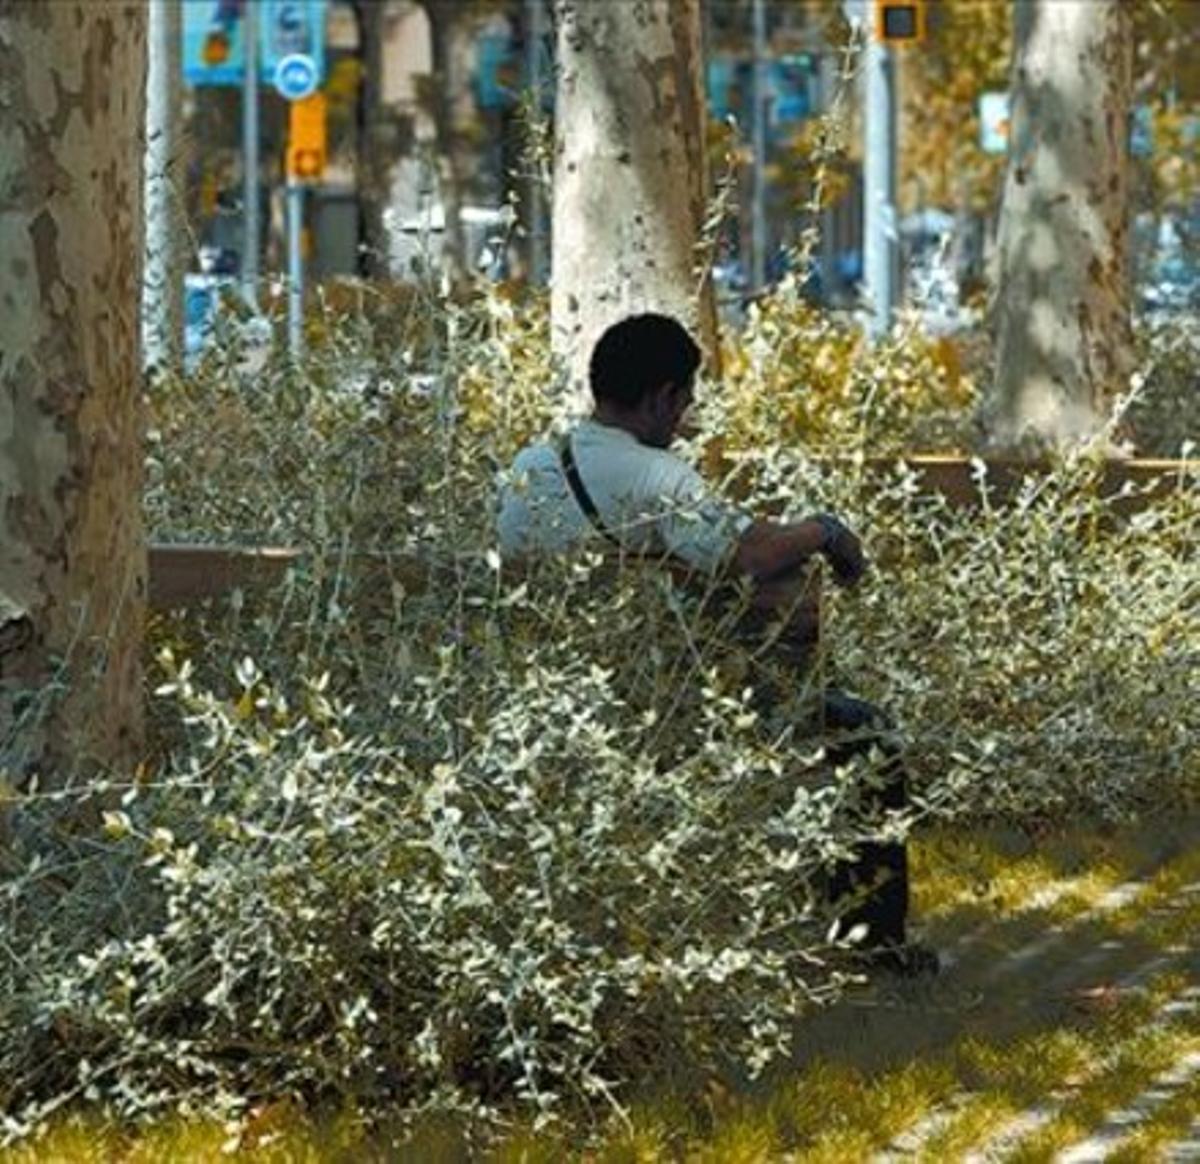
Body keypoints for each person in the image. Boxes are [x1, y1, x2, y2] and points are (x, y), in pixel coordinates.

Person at [497, 313, 937, 976]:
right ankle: (873, 942)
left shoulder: (529, 467)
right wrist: (823, 530)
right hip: (658, 703)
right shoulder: (653, 476)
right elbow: (748, 553)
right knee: (864, 735)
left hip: (543, 689)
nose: (685, 417)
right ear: (660, 397)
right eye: (685, 400)